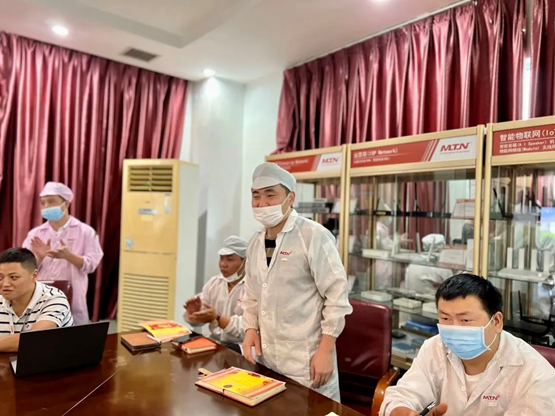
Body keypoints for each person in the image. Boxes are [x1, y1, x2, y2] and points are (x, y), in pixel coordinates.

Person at [241, 162, 353, 401]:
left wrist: (325, 351)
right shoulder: (255, 242)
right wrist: (250, 328)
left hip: (307, 360)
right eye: (256, 196)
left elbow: (337, 296)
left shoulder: (312, 236)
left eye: (270, 195)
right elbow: (251, 293)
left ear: (290, 198)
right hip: (267, 358)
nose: (262, 203)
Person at [380, 273, 555, 416]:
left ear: (497, 321)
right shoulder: (435, 348)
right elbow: (401, 396)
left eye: (465, 320)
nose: (454, 328)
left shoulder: (534, 375)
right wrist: (404, 412)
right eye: (445, 318)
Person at [23, 182, 103, 325]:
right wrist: (39, 258)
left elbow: (91, 265)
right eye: (43, 203)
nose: (46, 206)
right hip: (41, 298)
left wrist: (69, 256)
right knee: (41, 333)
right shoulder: (35, 234)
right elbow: (24, 269)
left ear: (65, 204)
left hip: (73, 298)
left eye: (51, 201)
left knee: (73, 335)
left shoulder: (85, 232)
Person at [0, 248, 74, 352]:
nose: (5, 284)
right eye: (0, 277)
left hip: (51, 359)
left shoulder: (54, 298)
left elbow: (34, 339)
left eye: (13, 277)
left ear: (34, 275)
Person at [184, 236, 248, 350]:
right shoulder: (215, 283)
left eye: (229, 259)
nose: (223, 264)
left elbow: (249, 329)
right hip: (215, 343)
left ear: (245, 262)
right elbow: (197, 321)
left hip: (241, 348)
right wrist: (195, 313)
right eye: (221, 258)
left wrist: (218, 318)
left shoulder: (253, 288)